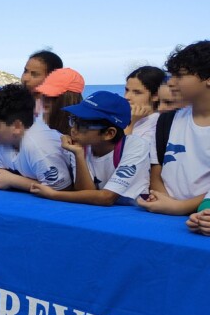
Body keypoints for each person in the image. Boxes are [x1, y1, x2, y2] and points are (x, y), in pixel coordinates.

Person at [31, 91, 150, 206]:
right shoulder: (81, 145)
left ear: (109, 133)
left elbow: (107, 198)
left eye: (82, 125)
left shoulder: (135, 146)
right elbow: (85, 191)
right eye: (73, 120)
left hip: (134, 213)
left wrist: (54, 195)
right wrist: (78, 154)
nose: (73, 129)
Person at [139, 40, 210, 217]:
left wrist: (181, 207)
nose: (172, 82)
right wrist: (163, 199)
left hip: (201, 217)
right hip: (163, 212)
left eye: (180, 75)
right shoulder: (167, 120)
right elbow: (157, 169)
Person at [0, 83, 73, 192]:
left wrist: (15, 181)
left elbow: (63, 189)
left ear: (17, 126)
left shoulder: (40, 147)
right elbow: (0, 175)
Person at [34, 67, 85, 135]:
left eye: (53, 96)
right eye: (44, 94)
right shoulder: (38, 126)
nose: (46, 99)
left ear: (69, 99)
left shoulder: (85, 135)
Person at [124, 66, 164, 144]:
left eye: (137, 92)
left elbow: (121, 152)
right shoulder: (127, 118)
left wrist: (131, 124)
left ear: (155, 96)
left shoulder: (156, 126)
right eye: (127, 90)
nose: (127, 97)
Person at [21, 50, 64, 117]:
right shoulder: (15, 102)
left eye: (34, 74)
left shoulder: (58, 109)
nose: (25, 78)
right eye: (25, 71)